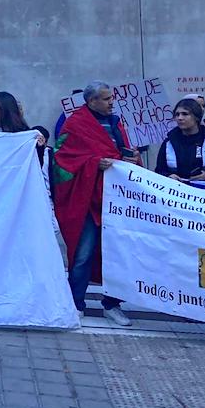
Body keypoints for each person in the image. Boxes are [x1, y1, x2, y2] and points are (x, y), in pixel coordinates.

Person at [52, 81, 138, 327]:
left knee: (117, 254)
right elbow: (61, 159)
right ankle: (75, 303)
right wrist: (93, 163)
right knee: (83, 253)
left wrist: (131, 159)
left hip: (116, 200)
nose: (112, 102)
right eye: (107, 99)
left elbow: (124, 152)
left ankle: (112, 304)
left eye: (112, 98)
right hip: (88, 201)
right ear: (92, 101)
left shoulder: (117, 123)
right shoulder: (75, 124)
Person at [155, 99, 205, 183]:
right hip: (176, 189)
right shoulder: (168, 142)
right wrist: (168, 176)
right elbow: (159, 171)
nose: (180, 118)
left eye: (185, 114)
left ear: (196, 117)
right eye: (177, 114)